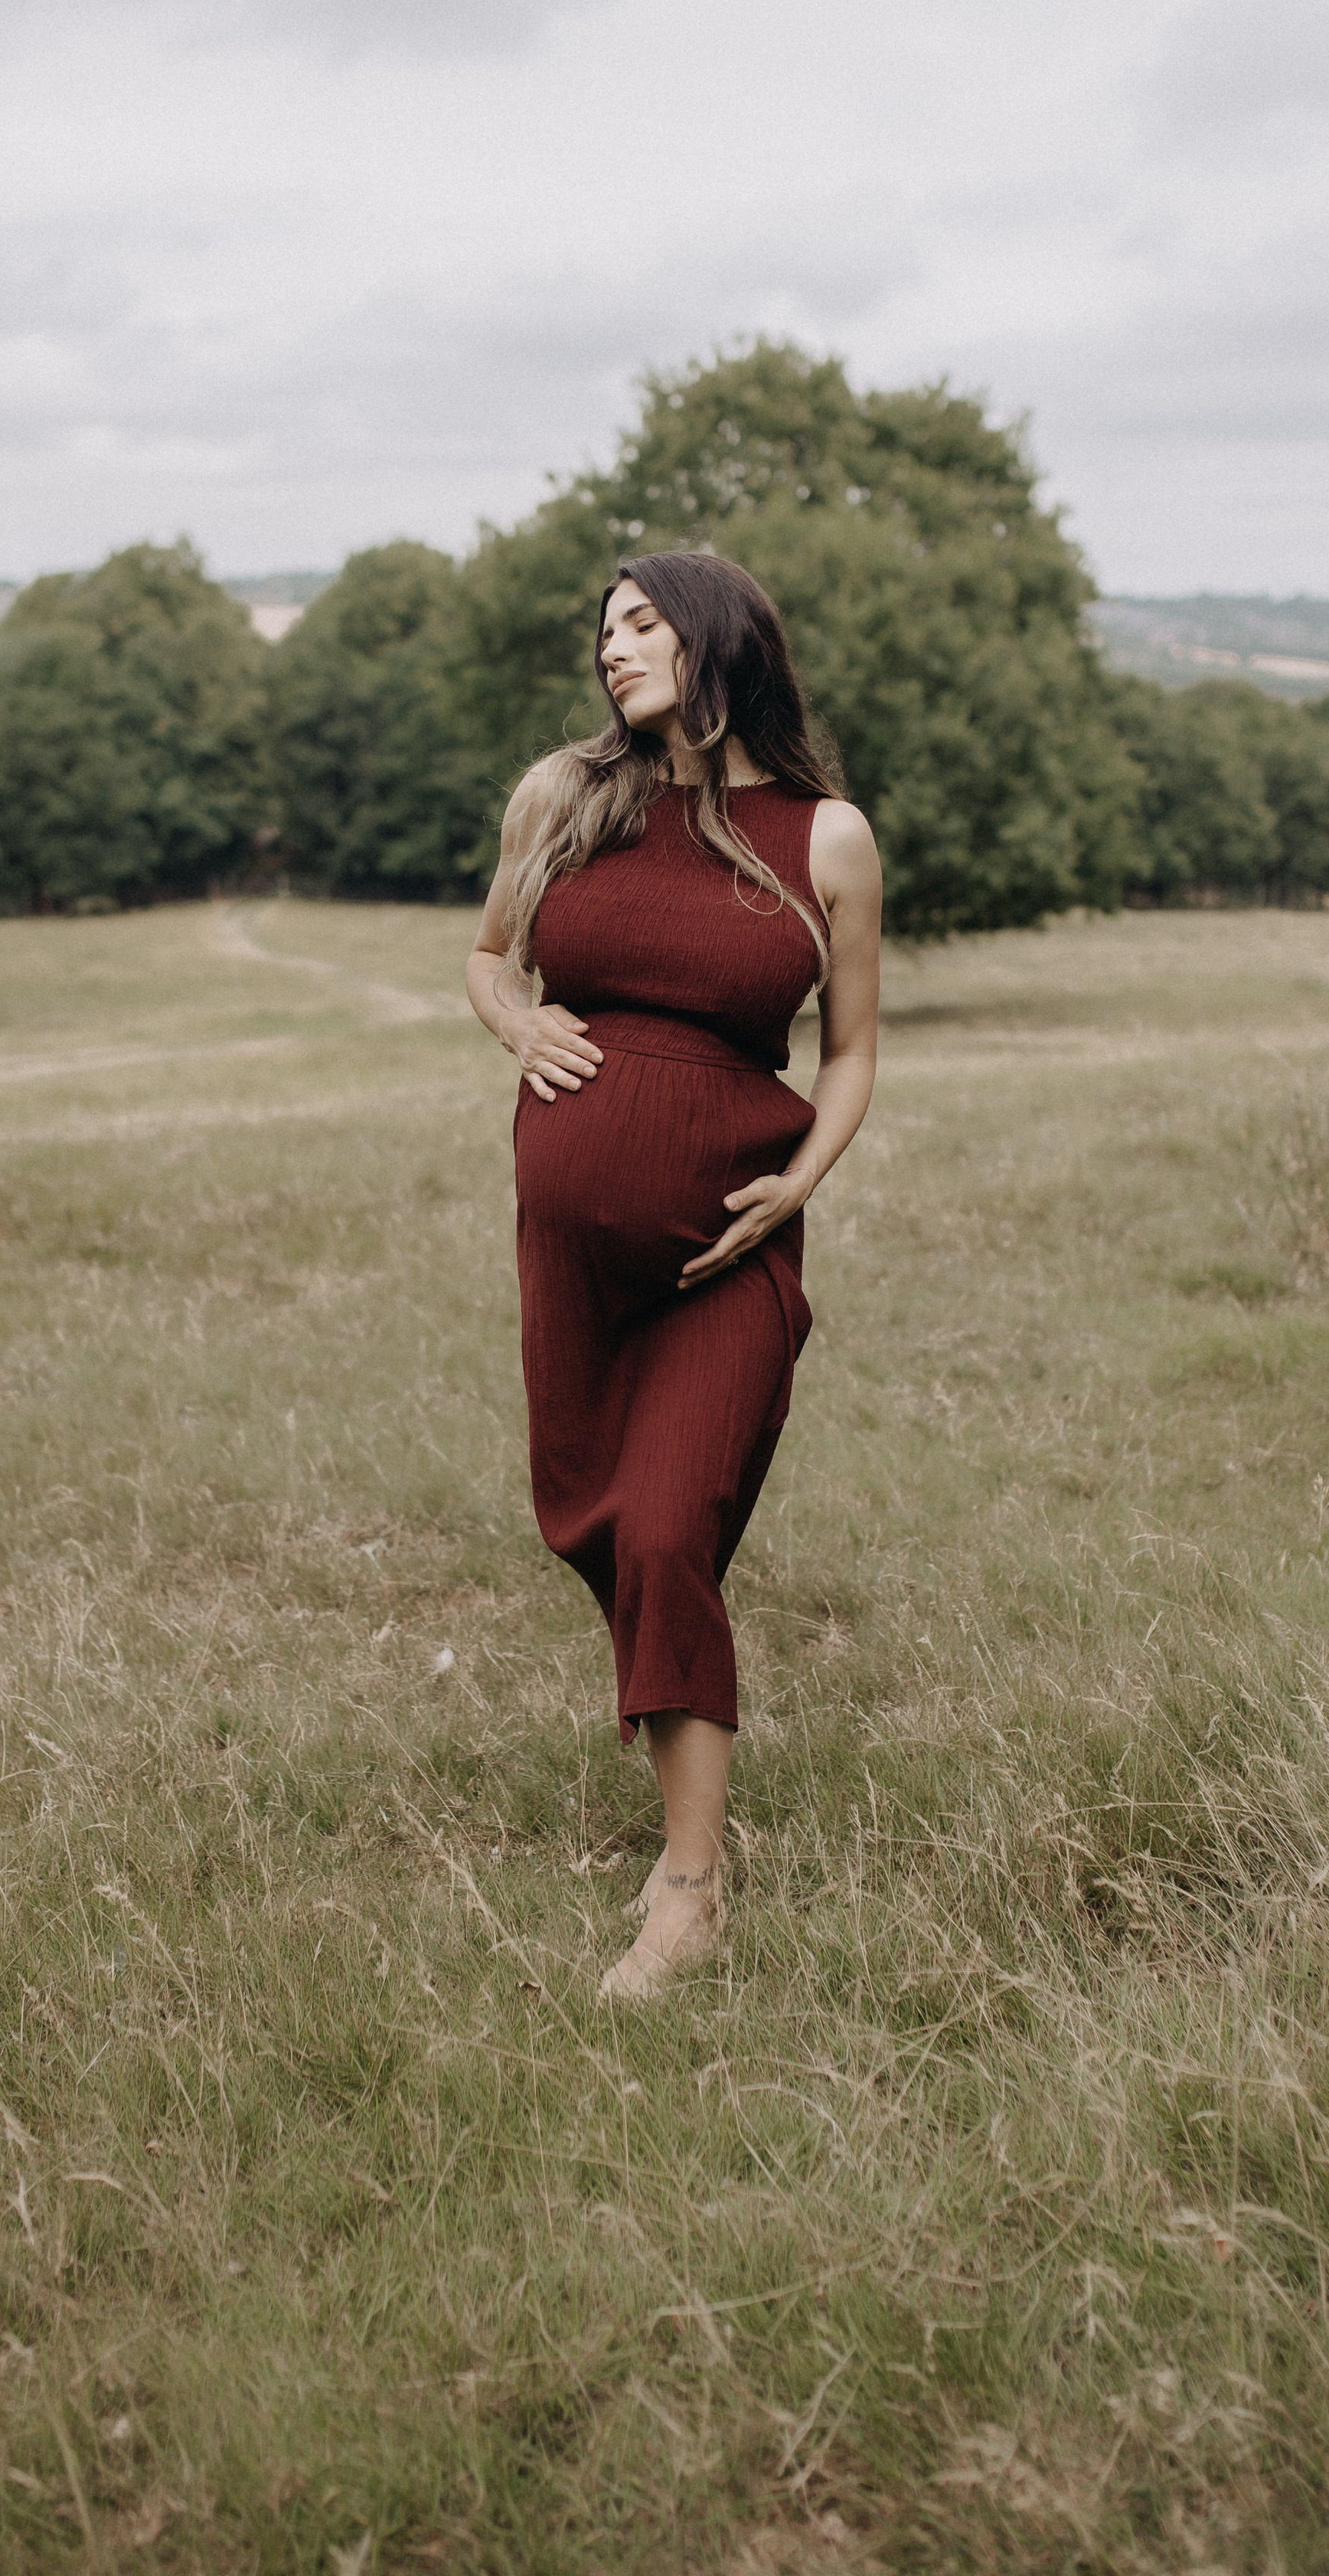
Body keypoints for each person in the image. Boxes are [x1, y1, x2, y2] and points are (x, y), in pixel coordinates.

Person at [465, 552, 881, 1999]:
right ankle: (670, 1701)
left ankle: (689, 1892)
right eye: (602, 630)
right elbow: (488, 960)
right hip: (570, 1258)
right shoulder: (564, 799)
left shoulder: (825, 838)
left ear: (714, 640)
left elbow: (854, 1055)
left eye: (640, 624)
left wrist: (798, 1188)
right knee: (587, 1522)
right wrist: (520, 1032)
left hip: (726, 1257)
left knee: (660, 1533)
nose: (611, 649)